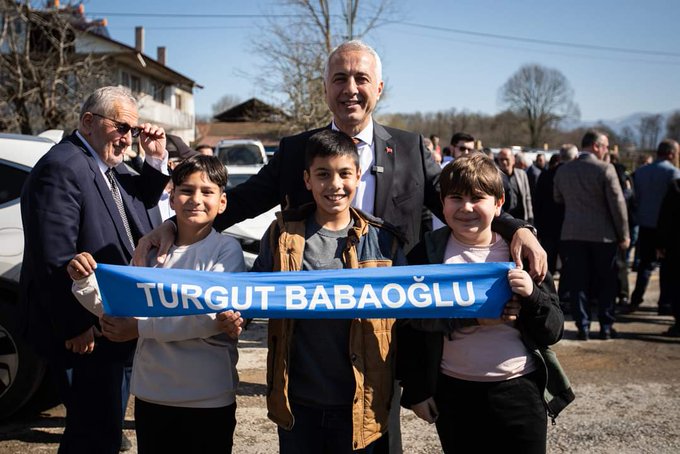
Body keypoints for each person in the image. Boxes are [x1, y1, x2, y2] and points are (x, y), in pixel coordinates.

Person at [134, 39, 547, 452]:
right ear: (326, 89)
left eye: (361, 78)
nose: (350, 88)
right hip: (309, 352)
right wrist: (171, 226)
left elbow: (461, 198)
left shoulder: (409, 148)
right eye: (339, 78)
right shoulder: (298, 150)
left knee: (378, 440)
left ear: (379, 87)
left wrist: (516, 228)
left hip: (384, 340)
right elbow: (238, 202)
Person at [20, 86, 170, 453]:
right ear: (89, 121)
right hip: (85, 329)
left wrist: (154, 159)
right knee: (93, 432)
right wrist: (75, 325)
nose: (127, 139)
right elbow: (53, 254)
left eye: (132, 131)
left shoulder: (103, 164)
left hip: (110, 321)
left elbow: (138, 202)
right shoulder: (64, 166)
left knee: (103, 425)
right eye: (121, 127)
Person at [67, 155, 245, 454]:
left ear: (222, 202)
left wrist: (141, 327)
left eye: (207, 192)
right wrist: (83, 282)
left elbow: (209, 317)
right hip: (152, 397)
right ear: (171, 197)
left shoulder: (226, 250)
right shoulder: (149, 252)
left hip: (208, 397)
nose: (196, 199)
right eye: (186, 190)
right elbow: (116, 309)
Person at [397, 154, 573, 454]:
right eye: (456, 198)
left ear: (499, 202)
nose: (466, 207)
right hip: (454, 393)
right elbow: (409, 327)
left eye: (478, 198)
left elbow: (553, 330)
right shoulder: (427, 254)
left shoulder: (520, 253)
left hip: (519, 390)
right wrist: (417, 391)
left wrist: (532, 294)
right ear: (442, 202)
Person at [257, 129, 406, 452]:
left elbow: (411, 314)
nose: (335, 185)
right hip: (298, 404)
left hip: (362, 403)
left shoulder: (384, 241)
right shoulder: (283, 235)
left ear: (358, 176)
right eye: (323, 174)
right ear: (307, 180)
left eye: (344, 174)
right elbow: (252, 295)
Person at [553, 130, 629, 341]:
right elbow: (618, 205)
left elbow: (557, 197)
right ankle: (605, 326)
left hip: (572, 233)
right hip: (603, 235)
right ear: (596, 146)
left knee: (578, 283)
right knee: (606, 282)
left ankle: (582, 326)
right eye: (605, 146)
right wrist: (624, 234)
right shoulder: (605, 169)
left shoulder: (564, 170)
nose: (606, 150)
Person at [627, 139, 680, 315]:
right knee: (668, 268)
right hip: (668, 227)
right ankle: (664, 303)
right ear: (671, 153)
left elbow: (636, 198)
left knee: (644, 264)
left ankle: (636, 299)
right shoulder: (673, 173)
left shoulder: (641, 172)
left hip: (645, 223)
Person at [656, 177, 680, 336]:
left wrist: (661, 243)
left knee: (676, 286)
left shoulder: (676, 187)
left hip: (675, 247)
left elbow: (665, 217)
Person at [498, 148, 534, 224]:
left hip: (520, 217)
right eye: (501, 160)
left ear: (513, 160)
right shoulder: (495, 177)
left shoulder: (521, 174)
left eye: (506, 159)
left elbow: (527, 197)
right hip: (503, 220)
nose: (504, 162)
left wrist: (530, 217)